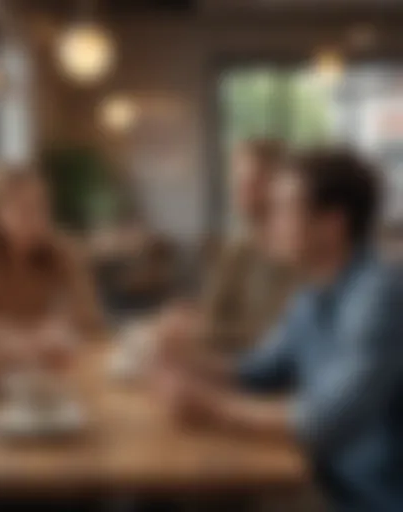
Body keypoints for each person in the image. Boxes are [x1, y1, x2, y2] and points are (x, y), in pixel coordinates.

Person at [156, 148, 403, 511]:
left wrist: (213, 408)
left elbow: (322, 421)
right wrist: (184, 361)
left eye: (285, 208)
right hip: (319, 476)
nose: (270, 220)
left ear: (332, 223)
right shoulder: (312, 293)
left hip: (365, 497)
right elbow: (258, 371)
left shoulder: (381, 296)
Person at [157, 139, 296, 372]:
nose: (239, 188)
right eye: (237, 178)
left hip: (267, 377)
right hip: (229, 364)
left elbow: (278, 337)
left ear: (282, 186)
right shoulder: (239, 247)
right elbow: (215, 311)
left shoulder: (297, 252)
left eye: (252, 179)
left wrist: (200, 332)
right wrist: (190, 316)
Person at [0, 167, 105, 369]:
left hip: (48, 368)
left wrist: (62, 327)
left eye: (42, 207)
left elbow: (91, 319)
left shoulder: (62, 250)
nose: (38, 218)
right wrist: (22, 339)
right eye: (24, 208)